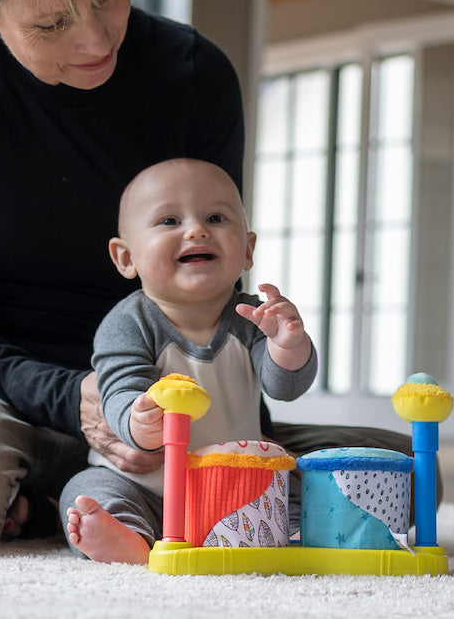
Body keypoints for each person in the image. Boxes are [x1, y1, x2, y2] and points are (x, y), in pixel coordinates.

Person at [0, 0, 435, 553]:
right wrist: (66, 396)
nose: (97, 40)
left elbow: (212, 264)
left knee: (403, 478)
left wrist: (255, 398)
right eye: (52, 24)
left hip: (174, 385)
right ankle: (70, 487)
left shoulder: (194, 72)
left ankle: (58, 495)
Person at [61, 158, 318, 564]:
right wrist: (138, 421)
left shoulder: (253, 317)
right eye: (168, 221)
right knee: (87, 488)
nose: (196, 230)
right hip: (146, 483)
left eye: (215, 217)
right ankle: (128, 538)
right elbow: (118, 391)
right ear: (126, 257)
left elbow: (284, 387)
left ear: (248, 250)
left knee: (299, 483)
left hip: (237, 482)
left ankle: (295, 534)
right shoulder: (127, 324)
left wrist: (288, 345)